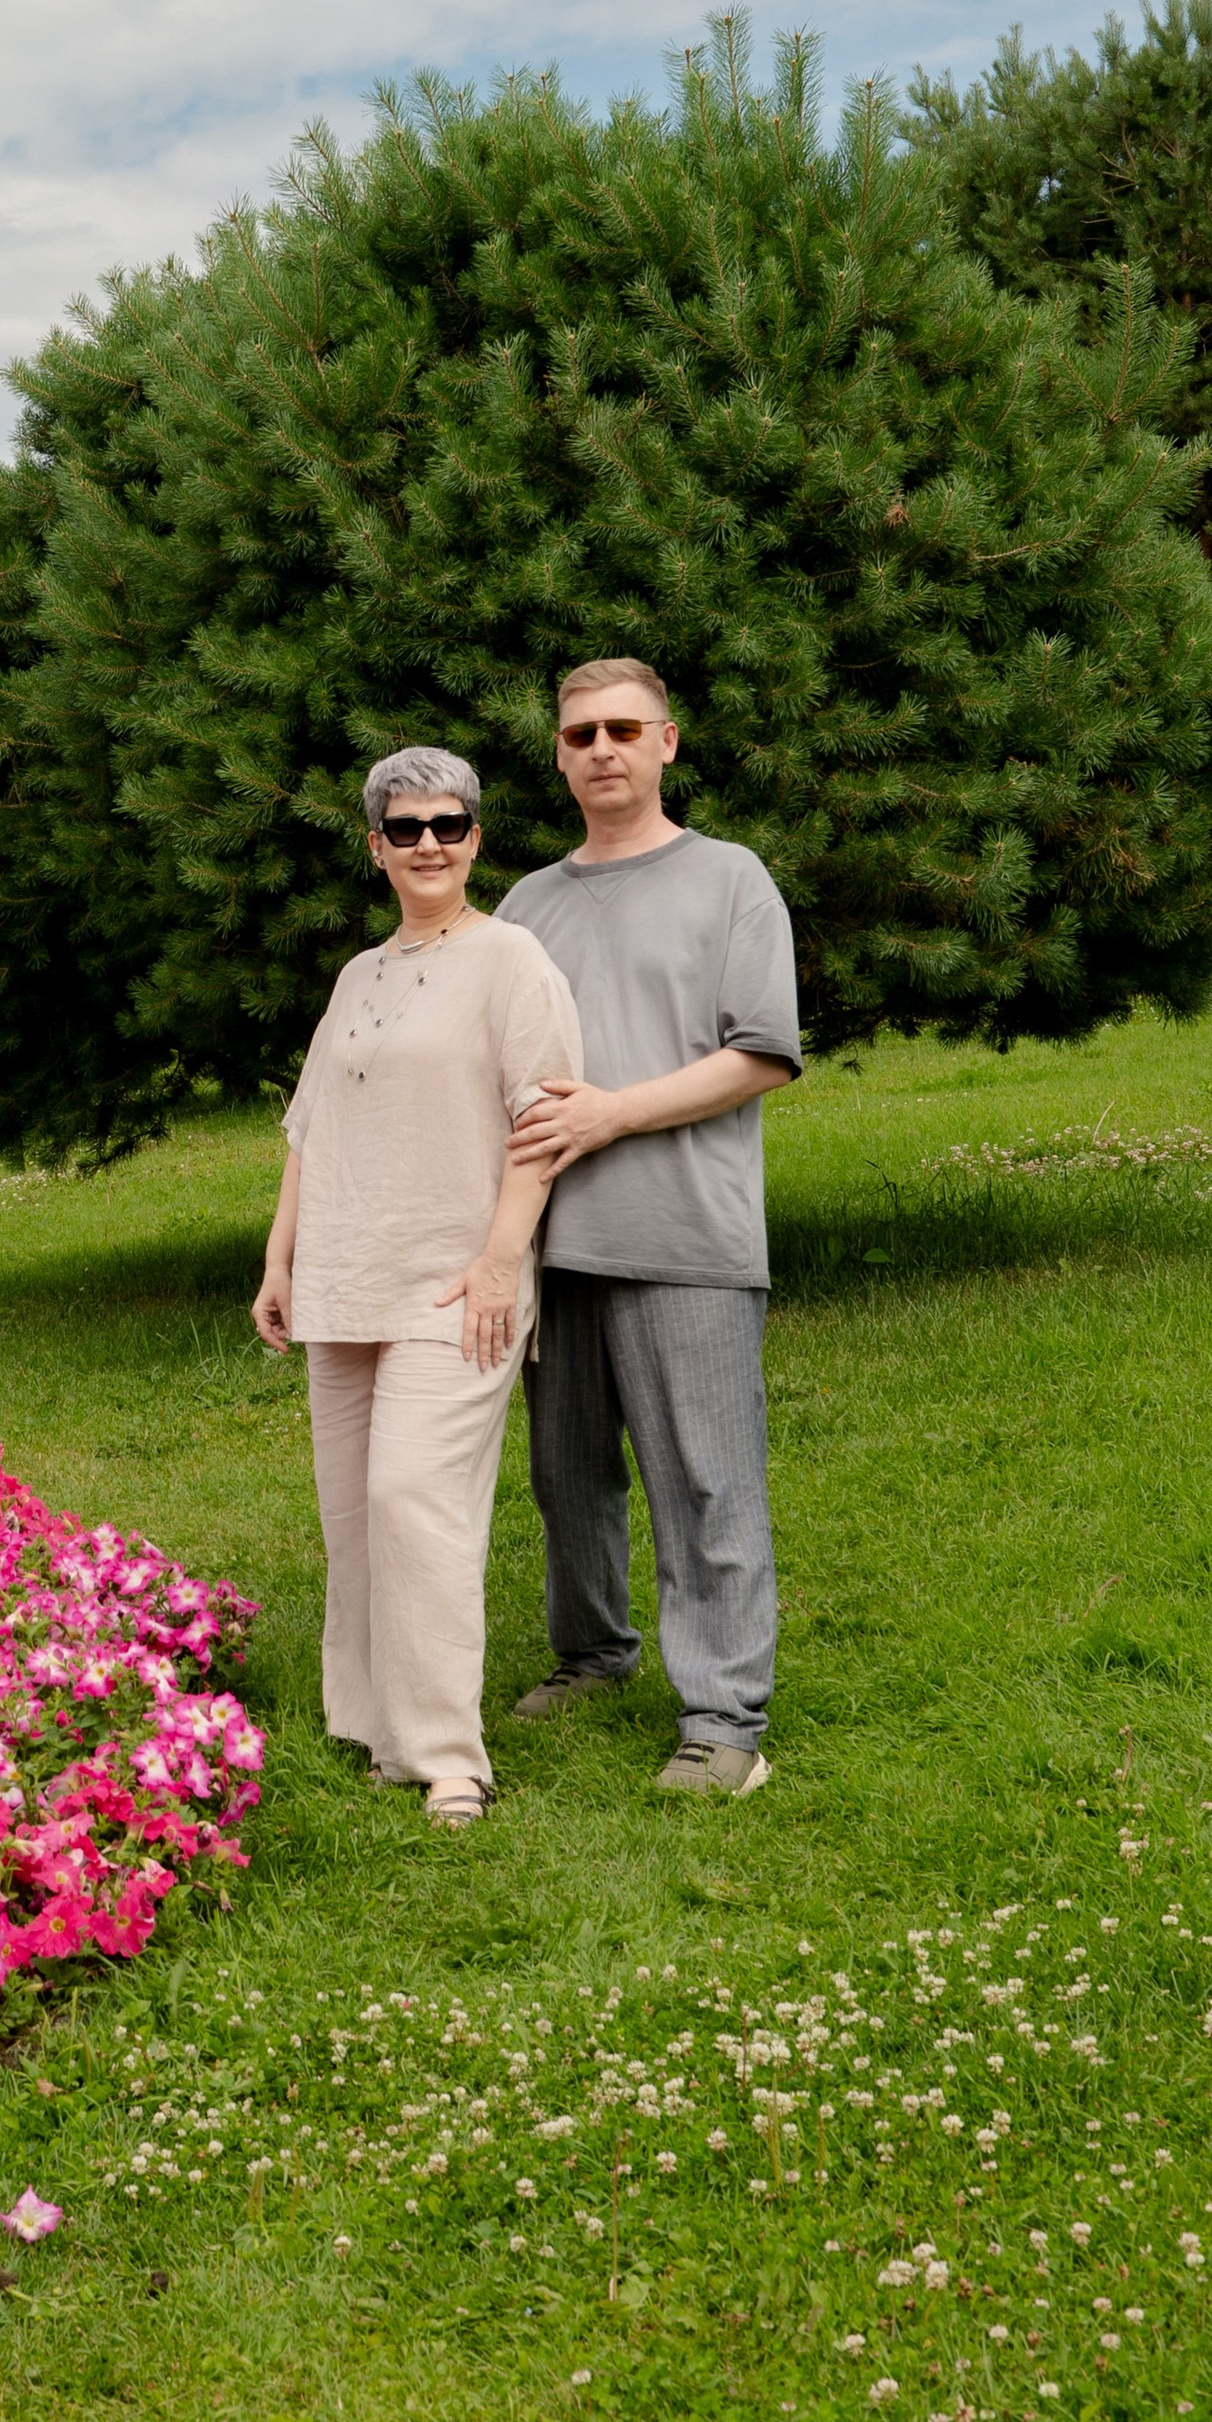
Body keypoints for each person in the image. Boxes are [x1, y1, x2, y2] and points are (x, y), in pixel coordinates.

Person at [252, 748, 582, 1825]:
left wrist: (501, 1258)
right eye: (405, 828)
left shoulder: (514, 960)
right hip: (342, 1277)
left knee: (415, 1502)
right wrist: (279, 1258)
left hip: (456, 1284)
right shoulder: (359, 974)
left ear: (476, 837)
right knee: (351, 1511)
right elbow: (311, 1130)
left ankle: (448, 1755)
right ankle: (370, 1724)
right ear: (375, 846)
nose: (428, 843)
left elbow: (542, 1123)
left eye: (448, 824)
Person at [501, 659, 800, 1797]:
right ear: (560, 754)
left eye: (624, 729)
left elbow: (763, 1049)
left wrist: (612, 1113)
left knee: (707, 1479)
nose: (601, 750)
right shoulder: (527, 903)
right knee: (566, 1475)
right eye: (579, 734)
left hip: (688, 1232)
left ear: (667, 742)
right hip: (552, 1239)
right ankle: (593, 1652)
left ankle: (724, 1716)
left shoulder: (730, 879)